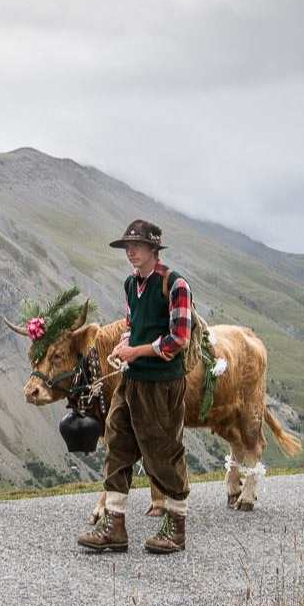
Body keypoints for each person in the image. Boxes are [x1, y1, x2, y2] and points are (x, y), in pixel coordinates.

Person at [77, 219, 192, 555]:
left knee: (163, 452)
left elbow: (178, 340)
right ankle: (114, 525)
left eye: (137, 246)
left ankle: (176, 528)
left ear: (154, 250)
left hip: (162, 383)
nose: (130, 251)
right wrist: (123, 345)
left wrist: (136, 351)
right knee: (117, 441)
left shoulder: (174, 284)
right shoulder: (131, 284)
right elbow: (132, 325)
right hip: (133, 379)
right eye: (127, 246)